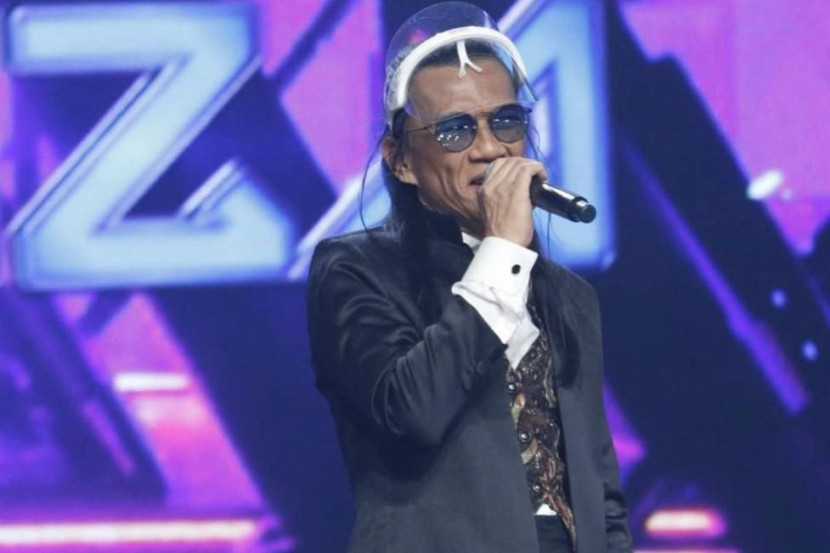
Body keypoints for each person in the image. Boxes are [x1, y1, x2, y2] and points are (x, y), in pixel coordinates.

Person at [306, 3, 632, 552]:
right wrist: (502, 249)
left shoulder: (570, 297)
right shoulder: (354, 270)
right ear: (401, 161)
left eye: (505, 120)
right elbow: (411, 411)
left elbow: (600, 491)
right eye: (455, 130)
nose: (489, 148)